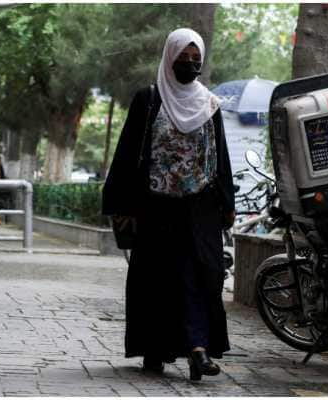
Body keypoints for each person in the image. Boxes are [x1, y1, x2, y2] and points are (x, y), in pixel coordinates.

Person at [102, 28, 235, 381]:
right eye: (183, 57)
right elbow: (129, 152)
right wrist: (120, 204)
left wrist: (228, 202)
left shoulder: (209, 104)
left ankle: (198, 349)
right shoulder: (148, 100)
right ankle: (156, 348)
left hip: (201, 208)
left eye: (196, 59)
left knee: (202, 276)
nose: (190, 64)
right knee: (159, 279)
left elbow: (219, 156)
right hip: (156, 208)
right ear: (169, 57)